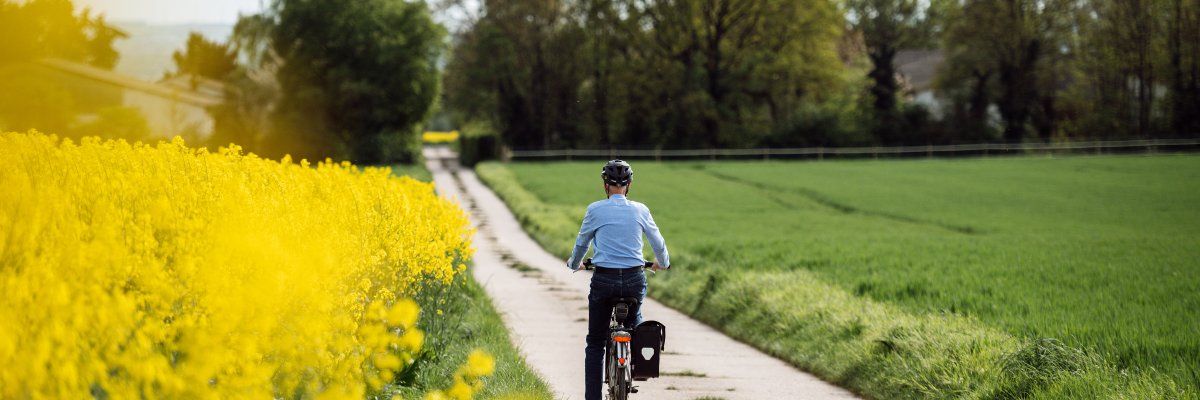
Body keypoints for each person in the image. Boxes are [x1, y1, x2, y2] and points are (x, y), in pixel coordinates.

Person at [566, 159, 670, 400]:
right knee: (636, 323)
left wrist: (574, 264)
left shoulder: (595, 210)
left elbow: (582, 243)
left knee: (596, 342)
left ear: (605, 185)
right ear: (629, 184)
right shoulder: (640, 210)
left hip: (604, 280)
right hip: (635, 279)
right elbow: (657, 241)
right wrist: (662, 263)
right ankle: (636, 364)